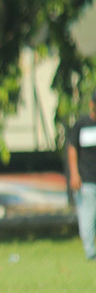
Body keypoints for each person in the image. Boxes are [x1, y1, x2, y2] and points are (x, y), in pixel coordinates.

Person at [68, 92, 96, 260]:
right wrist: (74, 174)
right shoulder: (82, 125)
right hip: (86, 180)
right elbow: (72, 149)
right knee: (88, 217)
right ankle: (90, 252)